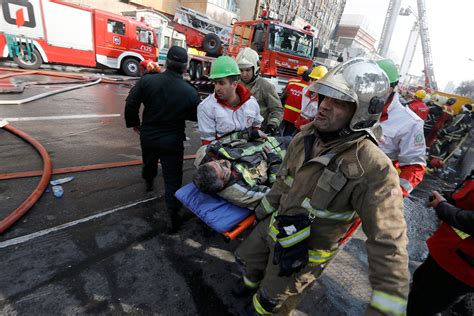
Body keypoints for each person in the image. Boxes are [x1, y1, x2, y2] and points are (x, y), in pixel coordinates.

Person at [234, 58, 409, 315]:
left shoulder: (373, 168)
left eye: (338, 102)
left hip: (302, 255)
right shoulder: (305, 136)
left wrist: (388, 304)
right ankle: (248, 286)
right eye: (325, 97)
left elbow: (389, 241)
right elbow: (283, 182)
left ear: (361, 112)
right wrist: (259, 213)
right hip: (272, 229)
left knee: (271, 301)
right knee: (249, 264)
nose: (324, 107)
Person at [124, 46, 200, 231]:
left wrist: (134, 123)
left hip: (148, 135)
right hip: (172, 140)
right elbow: (196, 115)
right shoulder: (189, 92)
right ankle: (174, 215)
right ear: (185, 67)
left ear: (166, 63)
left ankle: (149, 181)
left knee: (149, 161)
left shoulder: (148, 81)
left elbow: (131, 103)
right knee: (173, 177)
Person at [407, 171, 474, 315]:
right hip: (448, 252)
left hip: (461, 267)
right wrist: (448, 199)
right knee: (419, 288)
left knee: (424, 307)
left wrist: (443, 206)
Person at [193, 129, 291, 208]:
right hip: (288, 157)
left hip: (272, 140)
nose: (223, 161)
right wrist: (275, 163)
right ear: (222, 184)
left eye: (216, 162)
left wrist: (249, 134)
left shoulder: (205, 153)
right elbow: (275, 193)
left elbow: (225, 140)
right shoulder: (240, 193)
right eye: (223, 168)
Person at [376, 59, 426, 197]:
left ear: (390, 88)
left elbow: (415, 166)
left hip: (371, 187)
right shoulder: (354, 106)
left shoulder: (410, 122)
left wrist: (393, 196)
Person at [197, 56, 263, 145]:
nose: (217, 88)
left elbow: (256, 126)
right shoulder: (206, 107)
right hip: (220, 155)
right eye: (215, 82)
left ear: (234, 84)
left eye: (221, 83)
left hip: (249, 155)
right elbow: (208, 143)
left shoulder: (251, 103)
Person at [236, 48, 283, 135]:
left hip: (258, 133)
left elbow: (277, 110)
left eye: (247, 70)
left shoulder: (265, 86)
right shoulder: (235, 85)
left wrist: (272, 125)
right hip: (238, 133)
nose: (244, 74)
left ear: (255, 68)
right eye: (241, 70)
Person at [293, 65, 329, 131]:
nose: (313, 82)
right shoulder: (305, 90)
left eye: (317, 80)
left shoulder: (325, 98)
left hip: (310, 128)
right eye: (312, 79)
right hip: (299, 124)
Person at [280, 67, 311, 136]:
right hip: (296, 118)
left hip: (286, 115)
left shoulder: (292, 83)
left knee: (283, 133)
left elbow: (283, 97)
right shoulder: (309, 89)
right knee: (289, 136)